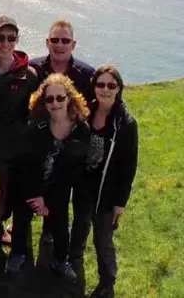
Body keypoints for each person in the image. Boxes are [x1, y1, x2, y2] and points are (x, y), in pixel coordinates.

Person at [6, 74, 90, 281]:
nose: (55, 103)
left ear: (70, 98)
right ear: (43, 102)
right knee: (21, 220)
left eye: (60, 98)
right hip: (29, 185)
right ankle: (17, 254)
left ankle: (61, 261)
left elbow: (73, 171)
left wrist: (48, 198)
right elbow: (25, 165)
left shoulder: (81, 129)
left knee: (60, 226)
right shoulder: (35, 127)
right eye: (49, 99)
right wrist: (35, 195)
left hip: (59, 187)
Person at [0, 15, 39, 265]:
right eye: (0, 37)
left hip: (12, 147)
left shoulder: (30, 75)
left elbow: (33, 111)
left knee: (5, 194)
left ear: (17, 40)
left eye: (11, 38)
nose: (5, 43)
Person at [29, 19, 95, 246]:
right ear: (47, 42)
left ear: (73, 44)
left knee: (62, 192)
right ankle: (20, 236)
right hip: (39, 141)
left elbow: (94, 109)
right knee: (33, 185)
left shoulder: (86, 74)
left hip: (71, 145)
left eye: (65, 40)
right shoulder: (33, 68)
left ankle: (59, 240)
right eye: (55, 40)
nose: (59, 45)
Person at [78, 66, 138, 298]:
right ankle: (74, 265)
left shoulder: (126, 124)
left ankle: (107, 281)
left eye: (111, 85)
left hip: (107, 191)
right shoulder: (86, 112)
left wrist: (120, 202)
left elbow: (128, 167)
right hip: (84, 187)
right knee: (80, 229)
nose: (105, 90)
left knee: (103, 239)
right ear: (94, 87)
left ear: (119, 89)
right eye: (100, 84)